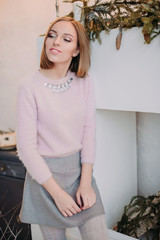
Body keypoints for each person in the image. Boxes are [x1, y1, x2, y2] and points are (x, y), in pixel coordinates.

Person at [16, 16, 108, 240]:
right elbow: (26, 148)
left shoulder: (84, 82)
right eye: (52, 35)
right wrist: (57, 194)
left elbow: (88, 134)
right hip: (46, 180)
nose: (55, 42)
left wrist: (86, 184)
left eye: (66, 39)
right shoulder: (28, 86)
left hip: (80, 174)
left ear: (77, 50)